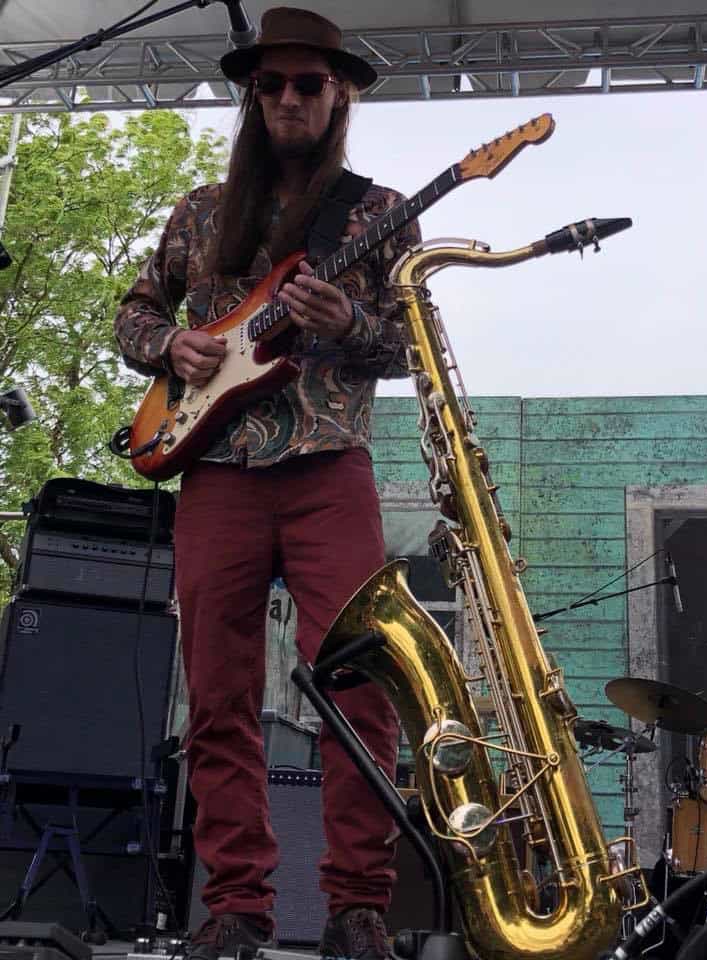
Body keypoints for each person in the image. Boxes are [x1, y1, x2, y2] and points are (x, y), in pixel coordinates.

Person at [114, 8, 421, 960]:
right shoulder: (201, 212)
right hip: (217, 475)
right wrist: (168, 342)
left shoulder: (379, 213)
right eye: (272, 85)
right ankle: (235, 906)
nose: (288, 98)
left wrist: (345, 325)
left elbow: (412, 347)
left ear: (341, 97)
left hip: (330, 470)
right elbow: (132, 312)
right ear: (253, 97)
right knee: (217, 695)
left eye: (308, 85)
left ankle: (358, 904)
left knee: (362, 684)